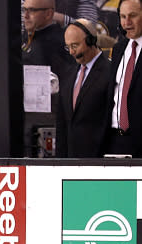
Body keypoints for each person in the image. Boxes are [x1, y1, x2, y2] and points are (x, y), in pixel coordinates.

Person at [56, 19, 111, 157]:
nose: (71, 52)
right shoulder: (68, 75)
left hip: (100, 161)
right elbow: (63, 124)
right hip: (70, 161)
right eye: (68, 47)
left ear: (91, 41)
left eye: (75, 45)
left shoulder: (111, 72)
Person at [105, 0, 142, 156]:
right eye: (123, 16)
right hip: (116, 141)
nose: (127, 22)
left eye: (133, 16)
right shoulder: (119, 48)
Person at [21, 0, 75, 83]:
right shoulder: (24, 36)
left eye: (32, 10)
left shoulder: (60, 43)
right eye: (24, 10)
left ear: (48, 14)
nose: (25, 16)